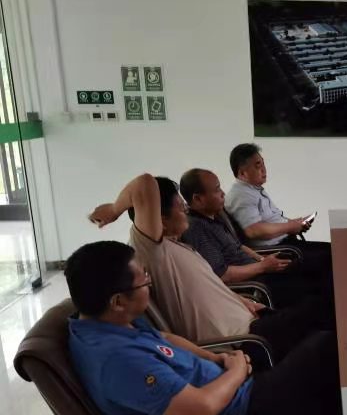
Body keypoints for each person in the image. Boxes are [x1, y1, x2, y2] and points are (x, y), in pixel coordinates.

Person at [65, 241, 347, 415]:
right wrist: (236, 371)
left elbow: (163, 338)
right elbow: (201, 409)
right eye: (144, 281)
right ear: (117, 301)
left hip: (234, 395)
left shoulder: (104, 321)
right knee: (330, 356)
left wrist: (215, 357)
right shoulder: (118, 361)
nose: (150, 284)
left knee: (328, 358)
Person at [88, 173, 329, 362]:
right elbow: (144, 184)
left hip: (253, 321)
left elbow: (210, 286)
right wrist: (114, 209)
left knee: (327, 305)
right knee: (326, 308)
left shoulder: (178, 247)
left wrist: (244, 302)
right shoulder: (152, 252)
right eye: (180, 206)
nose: (185, 210)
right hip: (242, 344)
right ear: (161, 219)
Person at [179, 168, 323, 309]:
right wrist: (262, 266)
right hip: (254, 284)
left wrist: (262, 260)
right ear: (198, 199)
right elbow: (222, 274)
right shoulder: (197, 228)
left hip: (260, 270)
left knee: (319, 265)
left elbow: (239, 246)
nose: (223, 193)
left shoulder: (215, 216)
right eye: (217, 190)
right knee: (317, 286)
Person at [224, 143, 332, 279]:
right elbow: (253, 230)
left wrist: (296, 224)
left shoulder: (253, 190)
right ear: (242, 173)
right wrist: (290, 226)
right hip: (276, 251)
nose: (264, 169)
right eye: (258, 166)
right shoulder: (241, 196)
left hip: (287, 244)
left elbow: (272, 220)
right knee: (331, 257)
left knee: (334, 251)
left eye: (263, 163)